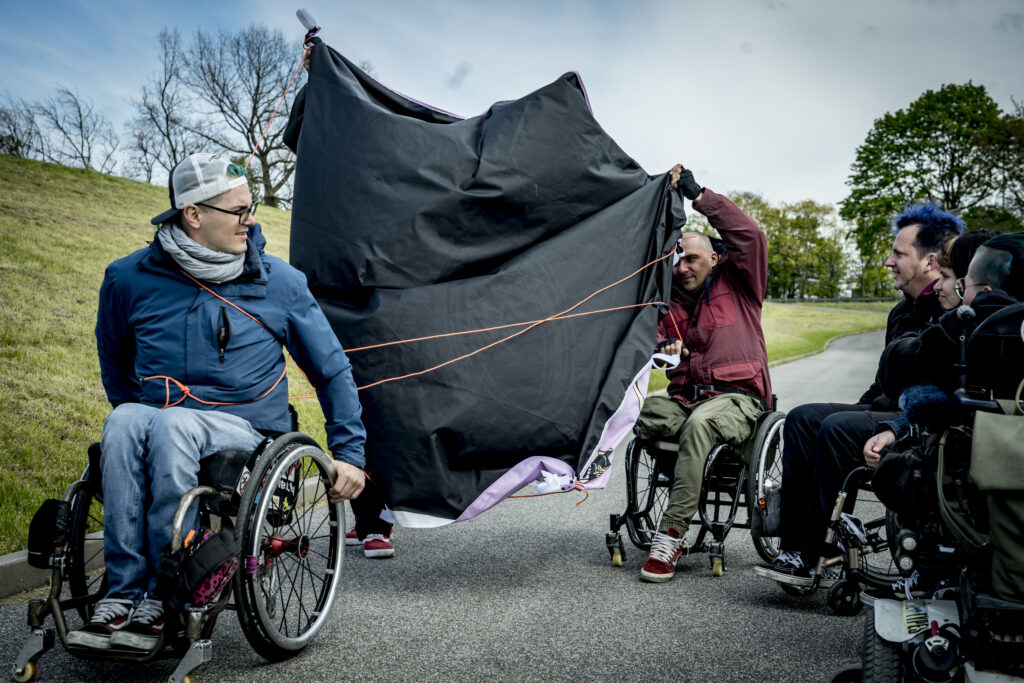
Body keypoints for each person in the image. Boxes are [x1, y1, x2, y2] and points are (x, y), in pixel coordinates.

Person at [68, 153, 367, 652]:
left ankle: (167, 594)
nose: (252, 220)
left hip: (247, 436)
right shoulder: (127, 279)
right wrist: (134, 417)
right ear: (193, 214)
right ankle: (122, 595)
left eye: (251, 208)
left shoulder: (281, 283)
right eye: (239, 211)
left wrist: (350, 455)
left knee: (171, 427)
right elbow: (114, 360)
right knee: (123, 420)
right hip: (162, 423)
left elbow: (332, 370)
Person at [755, 202, 963, 585]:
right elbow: (883, 384)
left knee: (836, 427)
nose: (889, 262)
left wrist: (893, 426)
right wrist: (862, 407)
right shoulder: (902, 312)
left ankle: (818, 553)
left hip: (915, 421)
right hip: (885, 409)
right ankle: (794, 548)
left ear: (930, 261)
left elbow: (941, 393)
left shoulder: (950, 312)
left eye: (899, 254)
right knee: (802, 417)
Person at [634, 164, 771, 583]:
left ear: (715, 257)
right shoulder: (669, 303)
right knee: (642, 414)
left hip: (739, 401)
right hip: (687, 400)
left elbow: (750, 236)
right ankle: (680, 490)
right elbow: (650, 346)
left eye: (691, 258)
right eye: (677, 260)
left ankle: (671, 535)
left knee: (699, 425)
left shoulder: (743, 284)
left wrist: (698, 195)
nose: (682, 267)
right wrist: (661, 349)